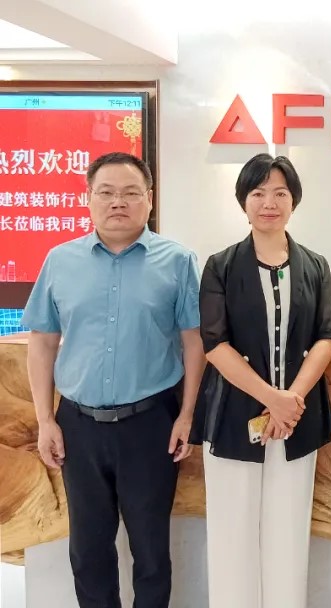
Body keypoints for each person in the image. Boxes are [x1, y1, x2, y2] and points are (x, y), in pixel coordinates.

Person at [25, 152, 202, 608]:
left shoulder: (178, 261)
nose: (117, 202)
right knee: (88, 551)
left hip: (151, 424)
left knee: (151, 552)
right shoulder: (60, 260)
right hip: (78, 425)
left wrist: (187, 416)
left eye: (129, 193)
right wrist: (45, 420)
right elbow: (42, 343)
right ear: (89, 198)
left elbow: (194, 343)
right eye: (106, 192)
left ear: (149, 199)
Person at [189, 154, 331, 608]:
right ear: (243, 201)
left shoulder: (315, 265)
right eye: (258, 193)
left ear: (294, 201)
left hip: (297, 421)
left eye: (280, 193)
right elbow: (214, 343)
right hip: (234, 420)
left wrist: (291, 400)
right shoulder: (220, 265)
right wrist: (272, 398)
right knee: (232, 537)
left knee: (288, 536)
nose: (269, 203)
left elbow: (325, 337)